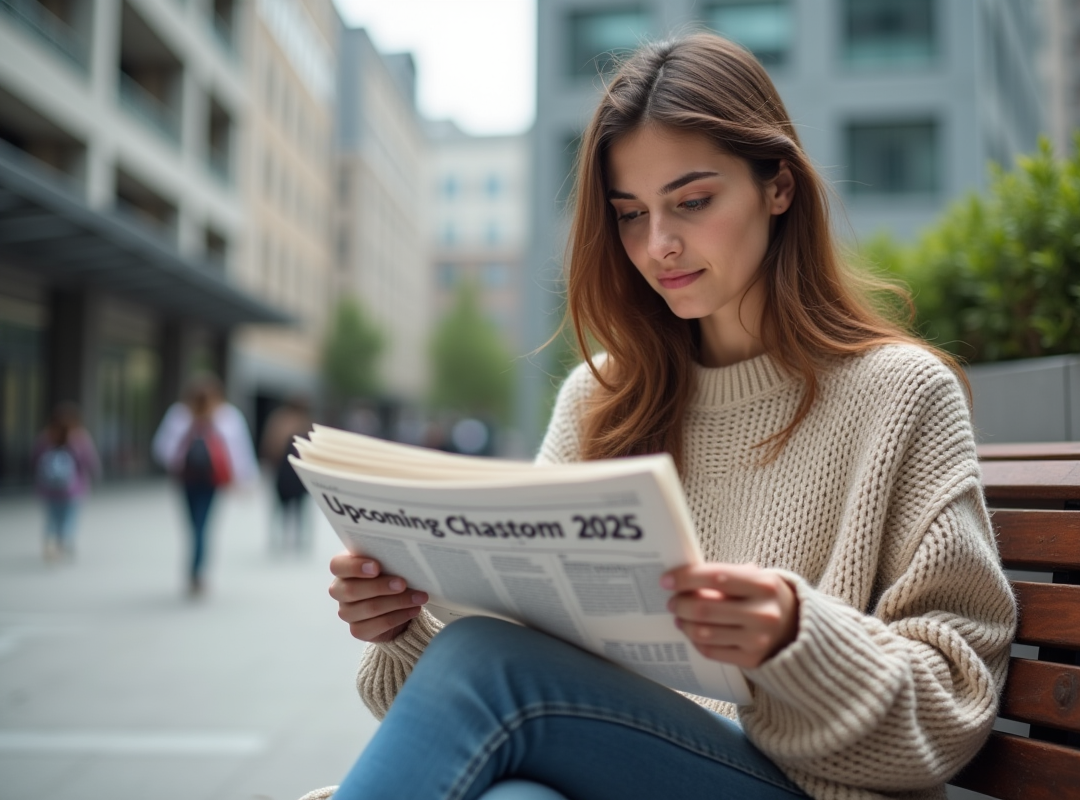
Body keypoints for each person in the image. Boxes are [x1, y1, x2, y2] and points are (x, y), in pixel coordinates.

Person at [318, 34, 1017, 800]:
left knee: (486, 664)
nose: (659, 246)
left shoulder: (901, 394)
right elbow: (496, 680)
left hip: (806, 785)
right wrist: (400, 626)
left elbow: (955, 702)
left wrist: (795, 638)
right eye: (629, 215)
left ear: (778, 187)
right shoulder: (600, 397)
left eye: (692, 201)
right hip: (614, 765)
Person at [152, 373, 258, 597]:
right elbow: (239, 451)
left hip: (187, 480)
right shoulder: (227, 416)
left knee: (193, 525)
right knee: (203, 525)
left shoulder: (179, 415)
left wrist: (178, 461)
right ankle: (198, 572)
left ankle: (195, 570)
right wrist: (245, 480)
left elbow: (162, 449)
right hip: (211, 481)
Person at [32, 402, 101, 562]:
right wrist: (95, 475)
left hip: (48, 488)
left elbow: (35, 460)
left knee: (52, 517)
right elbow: (89, 461)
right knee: (69, 517)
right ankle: (62, 543)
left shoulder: (45, 437)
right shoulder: (80, 438)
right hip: (73, 488)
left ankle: (50, 542)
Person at [260, 395, 313, 553]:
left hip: (284, 469)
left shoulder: (279, 419)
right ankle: (298, 538)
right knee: (299, 506)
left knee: (281, 505)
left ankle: (280, 537)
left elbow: (270, 445)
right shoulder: (304, 422)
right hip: (298, 471)